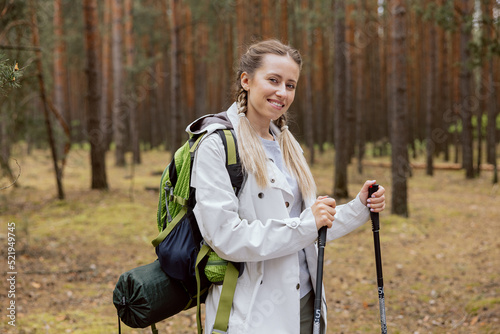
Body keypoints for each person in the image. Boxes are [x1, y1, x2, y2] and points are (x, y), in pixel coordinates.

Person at [189, 39, 386, 334]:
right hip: (253, 313)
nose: (282, 92)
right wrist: (307, 224)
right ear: (246, 80)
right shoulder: (217, 145)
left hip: (306, 304)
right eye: (273, 80)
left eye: (290, 85)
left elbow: (311, 227)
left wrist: (360, 206)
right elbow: (225, 237)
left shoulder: (287, 145)